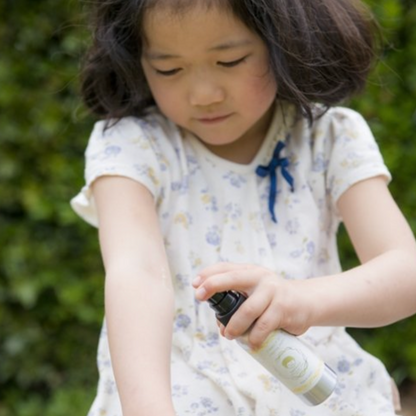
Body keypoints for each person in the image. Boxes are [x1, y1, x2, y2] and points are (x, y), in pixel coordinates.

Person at [70, 0, 416, 415]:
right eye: (169, 69)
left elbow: (405, 270)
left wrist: (301, 300)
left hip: (311, 388)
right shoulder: (132, 146)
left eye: (230, 60)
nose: (203, 94)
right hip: (182, 392)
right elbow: (136, 273)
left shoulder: (330, 137)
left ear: (285, 43)